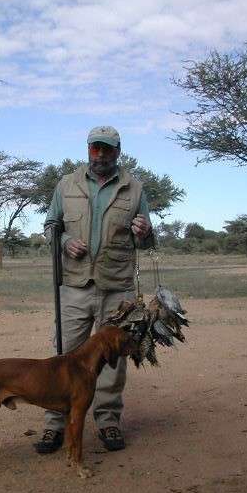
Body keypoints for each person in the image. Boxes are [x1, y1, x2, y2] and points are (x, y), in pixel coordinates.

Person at [34, 125, 155, 454]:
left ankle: (108, 421)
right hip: (73, 285)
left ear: (118, 151)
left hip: (117, 287)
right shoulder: (66, 184)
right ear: (88, 149)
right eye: (94, 148)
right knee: (63, 354)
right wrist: (63, 240)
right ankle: (54, 424)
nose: (100, 154)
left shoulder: (135, 189)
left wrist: (145, 230)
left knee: (113, 358)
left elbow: (146, 241)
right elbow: (49, 226)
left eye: (107, 149)